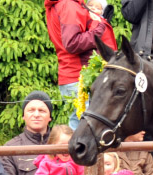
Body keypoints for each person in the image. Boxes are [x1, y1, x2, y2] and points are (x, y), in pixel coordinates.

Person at [45, 0, 117, 129]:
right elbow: (72, 43)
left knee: (81, 126)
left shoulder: (67, 4)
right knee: (87, 129)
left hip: (75, 75)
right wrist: (98, 26)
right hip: (79, 76)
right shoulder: (69, 5)